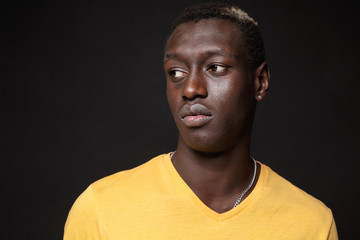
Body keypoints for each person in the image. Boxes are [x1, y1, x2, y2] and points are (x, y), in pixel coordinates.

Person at [64, 2, 338, 239]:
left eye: (215, 67)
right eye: (176, 72)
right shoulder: (101, 208)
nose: (191, 88)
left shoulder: (311, 222)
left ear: (260, 82)